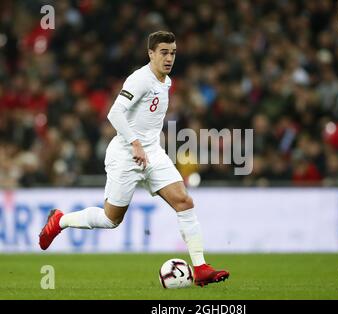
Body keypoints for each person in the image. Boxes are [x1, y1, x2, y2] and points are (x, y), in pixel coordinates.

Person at [39, 31, 229, 287]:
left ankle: (201, 268)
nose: (169, 57)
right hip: (127, 155)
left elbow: (147, 118)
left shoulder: (167, 82)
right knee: (111, 219)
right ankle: (60, 220)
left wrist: (150, 141)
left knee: (184, 201)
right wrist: (136, 143)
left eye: (172, 52)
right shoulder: (140, 79)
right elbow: (114, 113)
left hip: (152, 154)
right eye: (163, 52)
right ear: (150, 53)